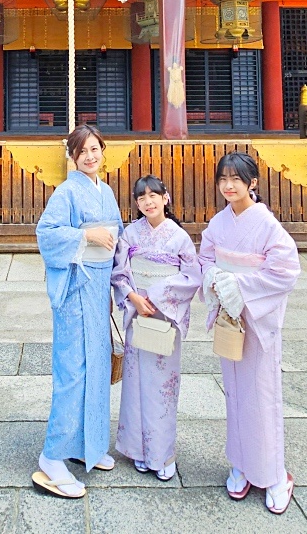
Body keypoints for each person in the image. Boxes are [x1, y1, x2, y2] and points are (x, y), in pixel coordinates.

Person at [198, 151, 301, 515]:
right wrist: (214, 278)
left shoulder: (267, 225)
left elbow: (285, 270)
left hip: (257, 320)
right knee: (235, 393)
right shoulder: (219, 223)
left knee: (261, 393)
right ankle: (240, 463)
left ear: (252, 183)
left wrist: (236, 284)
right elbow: (205, 259)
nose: (228, 186)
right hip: (231, 317)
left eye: (236, 179)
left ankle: (274, 474)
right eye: (223, 179)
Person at [31, 124, 123, 500]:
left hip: (99, 288)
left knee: (97, 367)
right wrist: (86, 235)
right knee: (73, 371)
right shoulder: (67, 191)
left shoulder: (107, 191)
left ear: (103, 151)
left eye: (95, 149)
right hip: (74, 290)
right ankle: (52, 457)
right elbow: (46, 233)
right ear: (72, 155)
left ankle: (87, 444)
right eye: (81, 150)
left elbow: (118, 235)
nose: (89, 156)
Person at [110, 174, 201, 482]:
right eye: (141, 198)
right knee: (135, 384)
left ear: (166, 198)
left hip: (164, 315)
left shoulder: (178, 237)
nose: (148, 202)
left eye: (153, 195)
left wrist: (158, 296)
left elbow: (192, 276)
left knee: (162, 387)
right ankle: (136, 449)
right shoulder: (129, 233)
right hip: (139, 313)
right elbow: (119, 271)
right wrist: (134, 296)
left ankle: (161, 454)